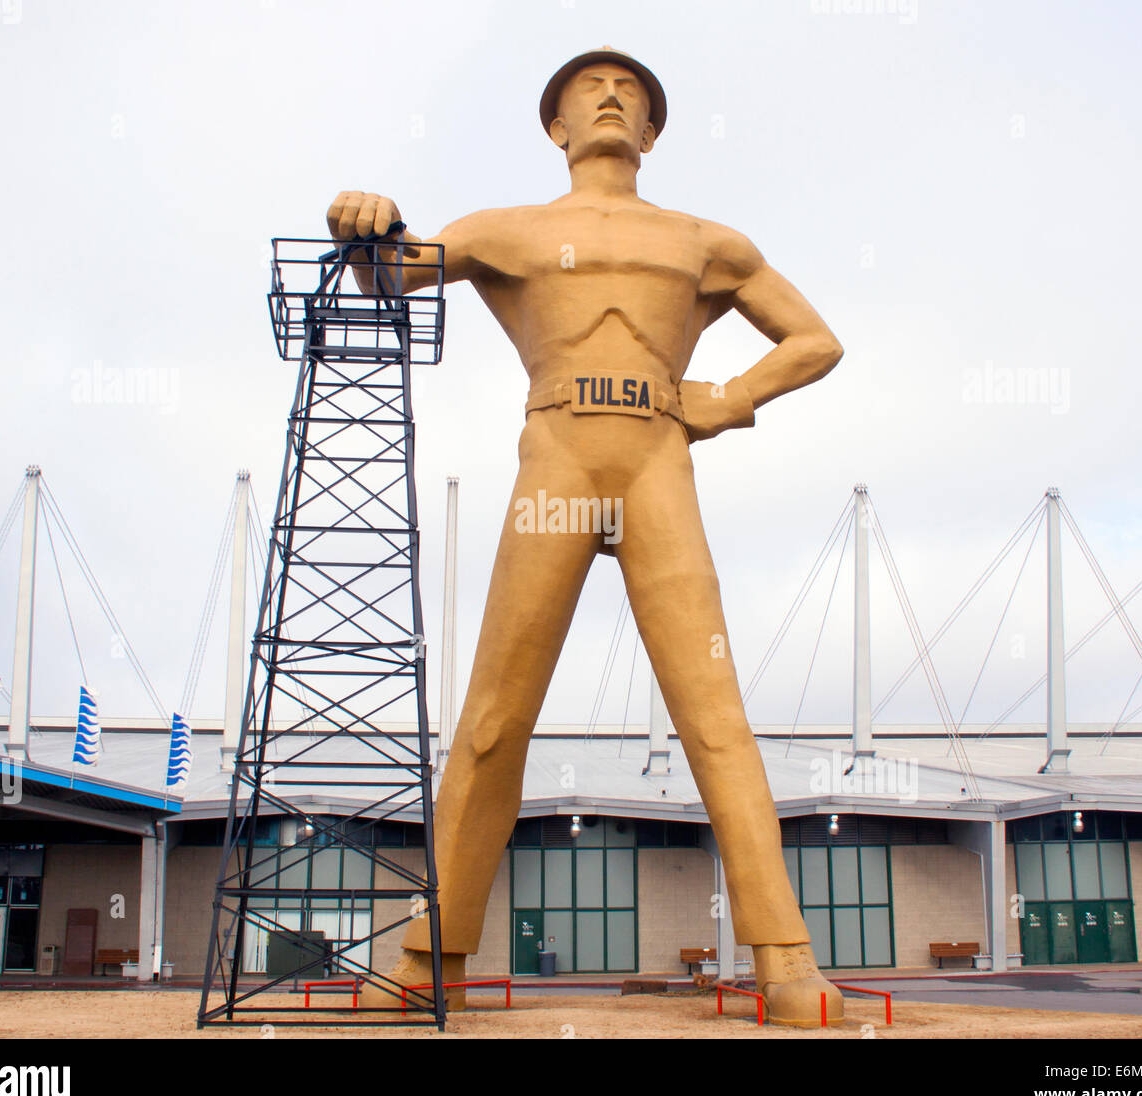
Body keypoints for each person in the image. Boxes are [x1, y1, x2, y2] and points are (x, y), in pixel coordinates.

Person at [327, 47, 845, 1025]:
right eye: (585, 91)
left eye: (631, 93)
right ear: (555, 126)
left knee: (716, 717)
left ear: (651, 130)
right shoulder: (506, 230)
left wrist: (726, 398)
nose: (609, 98)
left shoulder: (705, 241)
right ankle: (422, 960)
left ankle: (786, 960)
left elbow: (814, 339)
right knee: (491, 718)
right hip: (556, 455)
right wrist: (366, 223)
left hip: (657, 462)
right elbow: (395, 272)